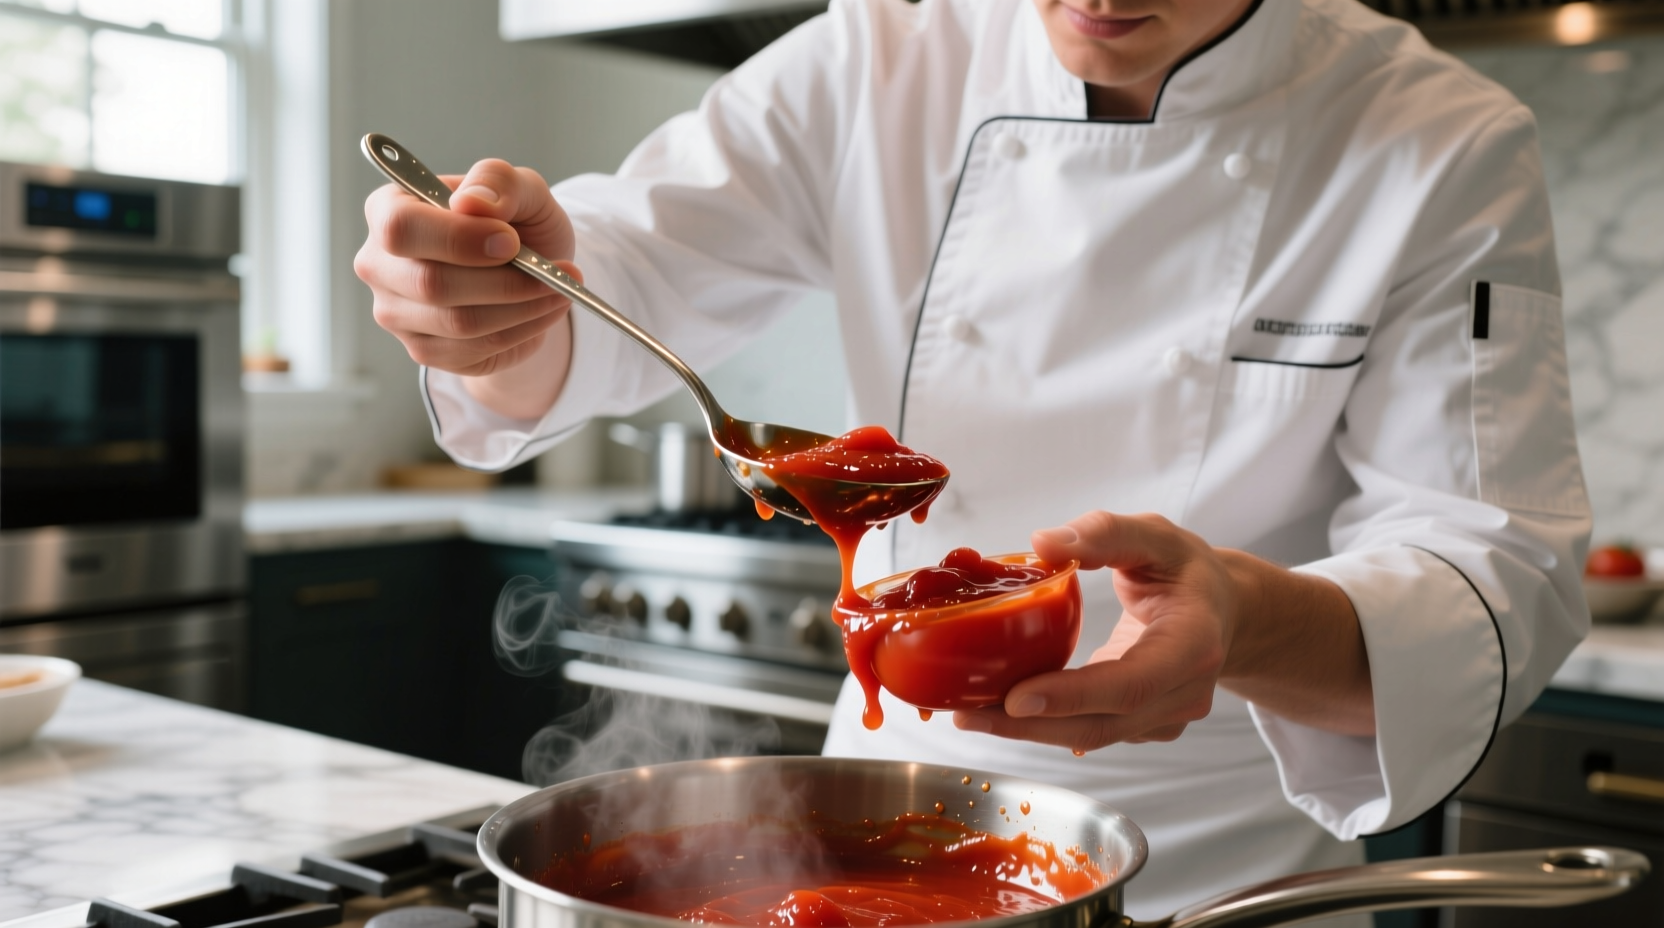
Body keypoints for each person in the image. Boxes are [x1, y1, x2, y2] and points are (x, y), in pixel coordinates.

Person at [355, 0, 1591, 920]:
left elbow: (1492, 572)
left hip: (1221, 866)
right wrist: (494, 305)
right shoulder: (881, 54)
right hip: (858, 838)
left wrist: (1246, 626)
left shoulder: (1435, 140)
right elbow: (609, 276)